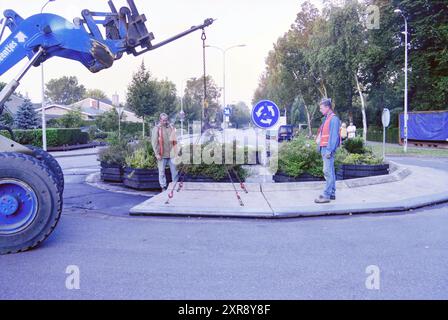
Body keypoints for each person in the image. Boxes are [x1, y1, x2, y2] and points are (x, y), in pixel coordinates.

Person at [315, 98, 341, 204]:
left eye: (321, 108)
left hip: (327, 149)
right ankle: (332, 193)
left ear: (327, 107)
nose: (320, 110)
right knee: (330, 171)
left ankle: (326, 195)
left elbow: (334, 136)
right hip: (324, 148)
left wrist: (329, 150)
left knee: (327, 171)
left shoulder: (333, 119)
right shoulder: (327, 118)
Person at [151, 113, 179, 191]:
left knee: (175, 172)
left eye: (166, 120)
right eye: (163, 120)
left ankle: (174, 186)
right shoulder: (156, 128)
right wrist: (157, 154)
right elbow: (154, 142)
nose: (165, 121)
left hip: (171, 154)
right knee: (162, 172)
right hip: (162, 154)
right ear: (160, 120)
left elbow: (175, 140)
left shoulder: (171, 127)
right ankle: (163, 186)